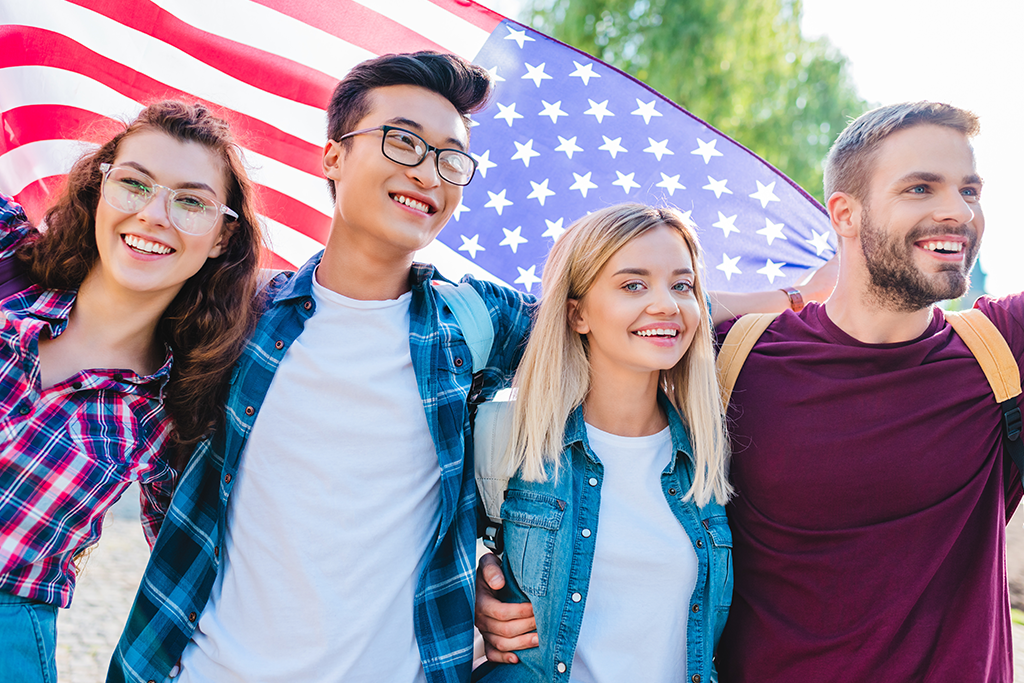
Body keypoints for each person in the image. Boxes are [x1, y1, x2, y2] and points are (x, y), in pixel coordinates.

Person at [109, 52, 833, 683]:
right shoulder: (238, 319)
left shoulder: (469, 323)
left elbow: (619, 303)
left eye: (450, 156)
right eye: (403, 142)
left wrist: (813, 288)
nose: (428, 171)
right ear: (333, 155)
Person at [478, 101, 1024, 682]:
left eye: (970, 190)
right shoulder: (731, 356)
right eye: (920, 188)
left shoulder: (999, 351)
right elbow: (624, 325)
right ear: (844, 213)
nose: (956, 211)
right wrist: (493, 574)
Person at [0, 100, 263, 683]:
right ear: (99, 189)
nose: (154, 215)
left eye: (191, 201)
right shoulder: (6, 267)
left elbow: (213, 577)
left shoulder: (172, 415)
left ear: (222, 237)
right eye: (134, 184)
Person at [472, 204, 733, 683]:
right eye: (634, 285)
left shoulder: (712, 457)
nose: (667, 305)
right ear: (577, 314)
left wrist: (800, 294)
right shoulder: (510, 438)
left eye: (682, 285)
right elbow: (419, 551)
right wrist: (474, 587)